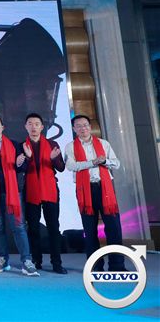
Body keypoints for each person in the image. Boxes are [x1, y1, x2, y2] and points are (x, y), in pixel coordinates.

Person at [0, 115, 39, 276]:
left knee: (19, 226)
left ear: (2, 127)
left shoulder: (14, 144)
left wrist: (22, 161)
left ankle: (26, 261)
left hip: (13, 192)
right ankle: (2, 260)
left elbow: (22, 167)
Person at [64, 115, 125, 272]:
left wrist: (104, 161)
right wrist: (92, 163)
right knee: (90, 231)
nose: (82, 128)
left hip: (105, 188)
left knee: (114, 228)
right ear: (74, 129)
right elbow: (71, 166)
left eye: (85, 125)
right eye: (78, 126)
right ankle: (96, 267)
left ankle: (117, 266)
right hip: (85, 190)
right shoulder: (71, 147)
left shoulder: (104, 144)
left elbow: (116, 163)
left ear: (90, 127)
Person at [21, 113, 67, 274]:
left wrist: (54, 159)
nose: (33, 127)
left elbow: (61, 168)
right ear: (26, 127)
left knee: (53, 227)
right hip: (31, 190)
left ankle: (56, 262)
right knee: (33, 228)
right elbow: (19, 169)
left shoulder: (52, 144)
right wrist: (27, 158)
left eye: (36, 124)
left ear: (42, 127)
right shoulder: (22, 145)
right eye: (30, 124)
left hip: (50, 189)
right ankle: (36, 260)